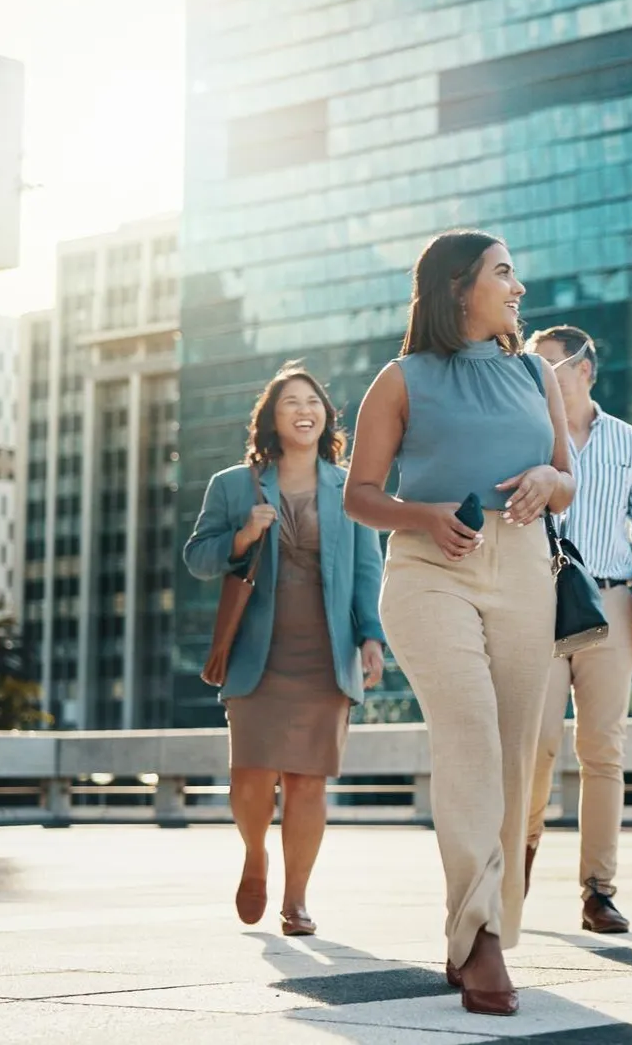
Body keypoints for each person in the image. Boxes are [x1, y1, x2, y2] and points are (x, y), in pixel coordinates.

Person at [344, 230, 575, 1018]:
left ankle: (479, 925)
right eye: (503, 272)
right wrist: (423, 513)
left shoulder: (535, 373)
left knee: (512, 750)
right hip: (429, 570)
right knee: (471, 729)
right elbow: (359, 494)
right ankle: (478, 939)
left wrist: (547, 478)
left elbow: (568, 479)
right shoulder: (400, 379)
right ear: (456, 287)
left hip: (525, 570)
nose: (518, 285)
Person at [183, 363, 387, 939]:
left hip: (326, 654)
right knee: (250, 777)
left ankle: (296, 901)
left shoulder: (350, 487)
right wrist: (243, 536)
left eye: (313, 401)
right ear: (271, 419)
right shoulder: (233, 485)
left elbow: (367, 570)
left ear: (326, 417)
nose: (304, 409)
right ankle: (255, 855)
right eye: (291, 402)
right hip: (257, 653)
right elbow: (197, 558)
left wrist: (371, 637)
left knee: (308, 780)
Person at [519, 325, 632, 934]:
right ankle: (519, 862)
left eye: (548, 365)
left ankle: (598, 892)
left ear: (584, 368)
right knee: (535, 744)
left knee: (603, 749)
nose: (537, 376)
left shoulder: (631, 443)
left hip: (611, 604)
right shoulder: (526, 434)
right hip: (539, 602)